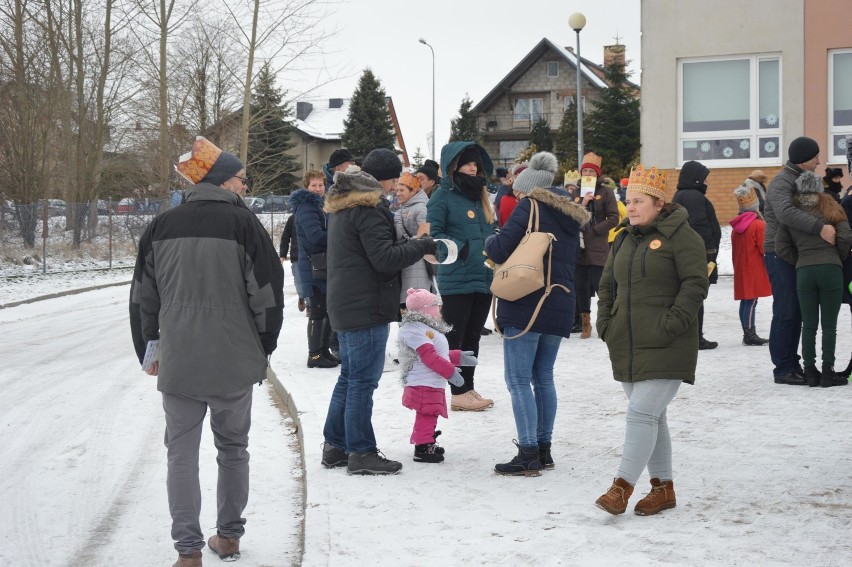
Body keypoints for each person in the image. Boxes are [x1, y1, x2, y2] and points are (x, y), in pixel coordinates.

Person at [129, 137, 284, 567]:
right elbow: (268, 293)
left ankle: (188, 551)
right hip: (234, 360)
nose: (244, 187)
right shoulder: (245, 225)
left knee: (180, 452)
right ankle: (229, 537)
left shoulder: (161, 226)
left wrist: (150, 349)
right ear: (220, 180)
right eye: (240, 179)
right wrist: (263, 345)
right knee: (233, 448)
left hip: (179, 360)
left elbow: (144, 297)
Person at [594, 164, 709, 516]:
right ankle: (663, 488)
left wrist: (670, 324)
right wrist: (605, 323)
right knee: (653, 418)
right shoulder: (625, 237)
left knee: (641, 413)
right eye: (629, 201)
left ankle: (621, 487)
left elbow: (695, 284)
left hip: (667, 343)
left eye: (640, 201)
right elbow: (607, 286)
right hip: (627, 343)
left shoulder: (682, 235)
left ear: (659, 203)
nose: (632, 207)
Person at [321, 150, 437, 475]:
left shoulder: (346, 205)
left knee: (349, 378)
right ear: (385, 178)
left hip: (346, 303)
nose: (394, 186)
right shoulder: (369, 208)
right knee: (362, 381)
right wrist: (422, 244)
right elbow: (384, 259)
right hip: (365, 306)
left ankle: (335, 445)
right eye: (394, 180)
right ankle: (361, 452)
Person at [484, 152, 589, 476]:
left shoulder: (530, 207)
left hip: (527, 300)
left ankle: (528, 451)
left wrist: (489, 238)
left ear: (529, 187)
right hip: (559, 301)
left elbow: (499, 249)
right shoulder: (570, 214)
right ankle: (544, 449)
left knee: (517, 379)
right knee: (543, 377)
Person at [426, 141, 498, 412]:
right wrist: (461, 249)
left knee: (473, 338)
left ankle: (468, 388)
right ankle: (456, 391)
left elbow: (489, 232)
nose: (473, 166)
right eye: (467, 162)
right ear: (454, 165)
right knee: (455, 339)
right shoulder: (441, 197)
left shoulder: (480, 196)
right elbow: (433, 237)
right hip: (457, 278)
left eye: (476, 162)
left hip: (483, 277)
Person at [775, 171, 852, 387]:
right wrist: (837, 256)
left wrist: (799, 260)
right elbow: (846, 236)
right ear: (819, 188)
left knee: (808, 325)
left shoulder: (792, 212)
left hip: (804, 273)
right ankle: (828, 373)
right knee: (829, 326)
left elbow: (781, 245)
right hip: (831, 271)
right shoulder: (831, 206)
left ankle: (810, 372)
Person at [764, 136, 830, 386]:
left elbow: (818, 207)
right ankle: (783, 367)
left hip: (799, 251)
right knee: (787, 309)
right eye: (815, 156)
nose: (819, 160)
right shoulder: (782, 181)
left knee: (798, 309)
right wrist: (819, 228)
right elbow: (786, 213)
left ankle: (792, 361)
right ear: (804, 159)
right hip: (778, 252)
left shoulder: (807, 179)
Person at [398, 288, 473, 463]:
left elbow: (440, 353)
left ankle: (426, 439)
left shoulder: (426, 328)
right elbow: (429, 357)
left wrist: (457, 357)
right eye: (437, 308)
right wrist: (450, 372)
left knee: (429, 412)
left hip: (430, 380)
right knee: (428, 413)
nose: (440, 311)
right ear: (426, 310)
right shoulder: (415, 330)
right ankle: (423, 447)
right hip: (424, 381)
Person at [672, 160, 721, 349]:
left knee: (688, 295)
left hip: (684, 254)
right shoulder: (694, 197)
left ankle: (690, 335)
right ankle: (696, 337)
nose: (707, 182)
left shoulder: (680, 195)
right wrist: (710, 251)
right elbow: (700, 225)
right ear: (696, 179)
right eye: (705, 178)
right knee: (695, 295)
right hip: (698, 255)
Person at [291, 169, 337, 368]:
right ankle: (315, 355)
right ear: (306, 186)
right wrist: (339, 236)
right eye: (314, 185)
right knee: (318, 311)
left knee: (325, 310)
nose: (318, 189)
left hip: (319, 265)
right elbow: (316, 237)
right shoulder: (307, 208)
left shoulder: (318, 206)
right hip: (313, 267)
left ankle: (323, 350)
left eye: (321, 185)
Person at [573, 153, 619, 339]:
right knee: (581, 286)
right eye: (585, 171)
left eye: (591, 171)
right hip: (580, 247)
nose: (588, 174)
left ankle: (607, 320)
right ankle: (585, 323)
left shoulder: (606, 192)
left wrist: (596, 230)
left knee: (600, 284)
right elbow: (569, 216)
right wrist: (582, 204)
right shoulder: (575, 193)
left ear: (597, 174)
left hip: (598, 245)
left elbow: (614, 218)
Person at [730, 184, 771, 346]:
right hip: (754, 268)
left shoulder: (737, 227)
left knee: (746, 301)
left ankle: (747, 331)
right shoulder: (758, 225)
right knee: (752, 301)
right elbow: (764, 248)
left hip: (741, 267)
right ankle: (750, 334)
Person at [394, 172, 434, 301]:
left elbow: (425, 238)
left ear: (413, 191)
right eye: (397, 190)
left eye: (402, 190)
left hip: (418, 263)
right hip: (407, 260)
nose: (398, 193)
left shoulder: (422, 209)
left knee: (417, 302)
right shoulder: (403, 208)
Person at [279, 213, 307, 313]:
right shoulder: (293, 218)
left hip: (311, 255)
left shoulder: (316, 214)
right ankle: (301, 296)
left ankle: (310, 305)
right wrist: (282, 255)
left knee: (311, 281)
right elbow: (285, 237)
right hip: (297, 255)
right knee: (299, 281)